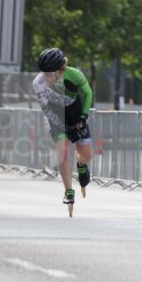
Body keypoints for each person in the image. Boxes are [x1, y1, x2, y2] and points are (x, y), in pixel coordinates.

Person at [32, 47, 93, 211]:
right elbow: (46, 110)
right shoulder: (38, 83)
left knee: (87, 154)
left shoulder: (75, 75)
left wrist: (83, 117)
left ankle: (81, 164)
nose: (45, 77)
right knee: (63, 148)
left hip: (75, 112)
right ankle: (68, 191)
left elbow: (88, 93)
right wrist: (65, 129)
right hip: (55, 115)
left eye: (49, 74)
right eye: (43, 73)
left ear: (60, 70)